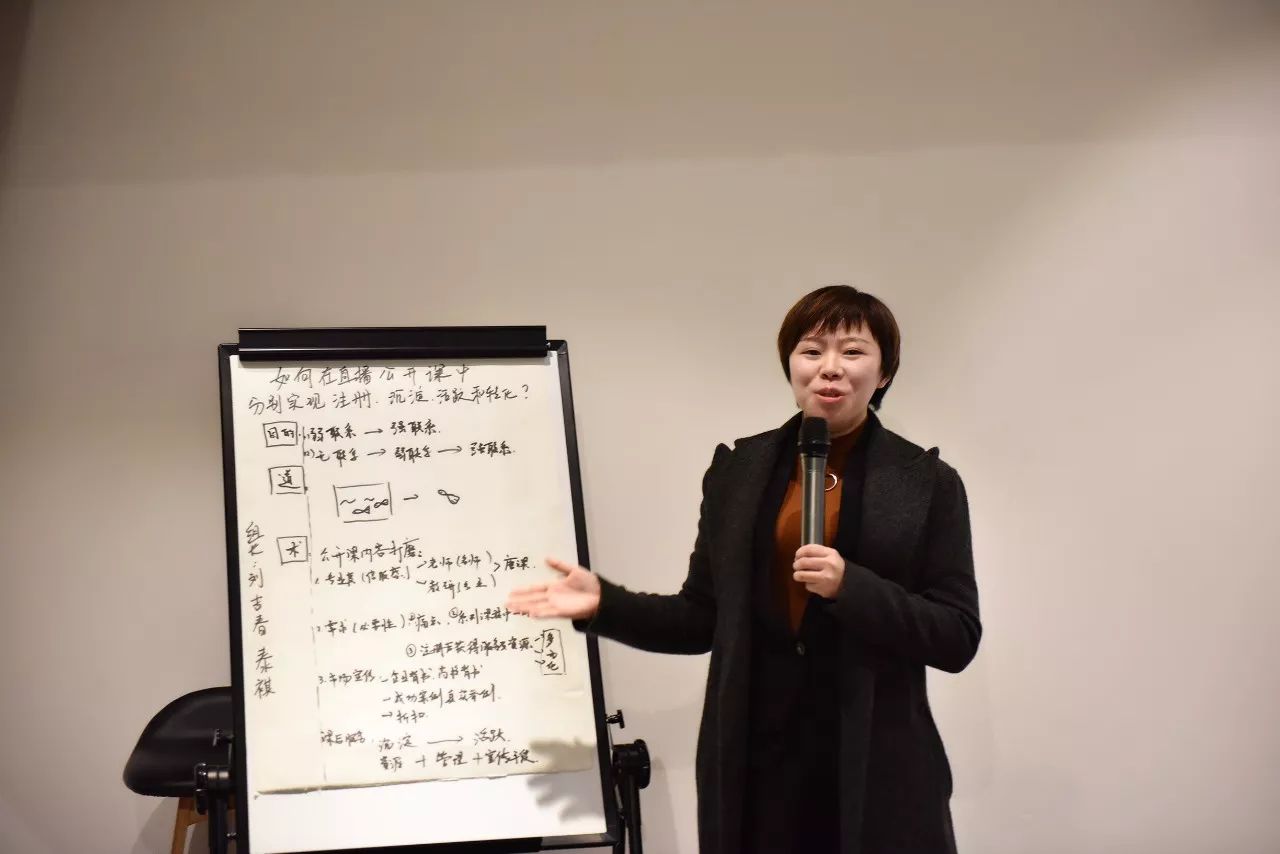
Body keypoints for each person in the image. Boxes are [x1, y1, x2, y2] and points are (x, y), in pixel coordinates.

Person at [507, 285, 981, 854]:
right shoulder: (739, 470)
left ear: (884, 373)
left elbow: (957, 635)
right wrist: (605, 604)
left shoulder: (927, 483)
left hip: (876, 765)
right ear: (790, 364)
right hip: (758, 763)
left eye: (853, 351)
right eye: (812, 350)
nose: (830, 367)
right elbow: (701, 617)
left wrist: (851, 586)